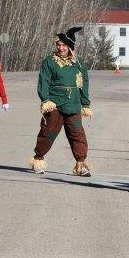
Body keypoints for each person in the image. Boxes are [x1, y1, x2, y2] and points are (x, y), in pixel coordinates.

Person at [28, 27, 92, 177]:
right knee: (48, 133)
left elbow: (84, 83)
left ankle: (81, 164)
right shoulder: (49, 61)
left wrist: (85, 102)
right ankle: (38, 159)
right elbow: (43, 81)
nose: (60, 48)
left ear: (70, 47)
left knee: (77, 134)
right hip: (55, 104)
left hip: (73, 104)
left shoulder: (79, 63)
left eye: (64, 45)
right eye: (58, 45)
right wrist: (46, 100)